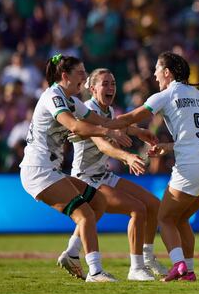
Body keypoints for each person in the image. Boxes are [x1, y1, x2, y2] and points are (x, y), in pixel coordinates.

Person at [19, 54, 136, 282]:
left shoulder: (69, 99)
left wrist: (138, 131)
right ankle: (95, 271)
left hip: (50, 170)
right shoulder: (54, 96)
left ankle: (72, 254)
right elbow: (75, 126)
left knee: (98, 202)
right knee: (84, 215)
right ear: (65, 76)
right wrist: (108, 133)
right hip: (38, 170)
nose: (84, 77)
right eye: (81, 73)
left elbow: (101, 121)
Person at [113, 52, 199, 282]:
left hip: (191, 166)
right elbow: (196, 136)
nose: (154, 74)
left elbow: (131, 117)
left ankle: (179, 265)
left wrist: (98, 122)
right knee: (181, 219)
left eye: (157, 69)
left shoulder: (164, 95)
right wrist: (167, 146)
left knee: (165, 219)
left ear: (167, 72)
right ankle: (189, 271)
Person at [67, 68, 167, 281]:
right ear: (93, 89)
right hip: (85, 179)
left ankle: (147, 258)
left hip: (102, 175)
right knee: (137, 209)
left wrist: (140, 132)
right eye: (105, 84)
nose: (111, 87)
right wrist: (127, 157)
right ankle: (136, 268)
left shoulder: (108, 111)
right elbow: (103, 145)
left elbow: (119, 124)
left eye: (113, 83)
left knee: (153, 205)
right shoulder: (87, 111)